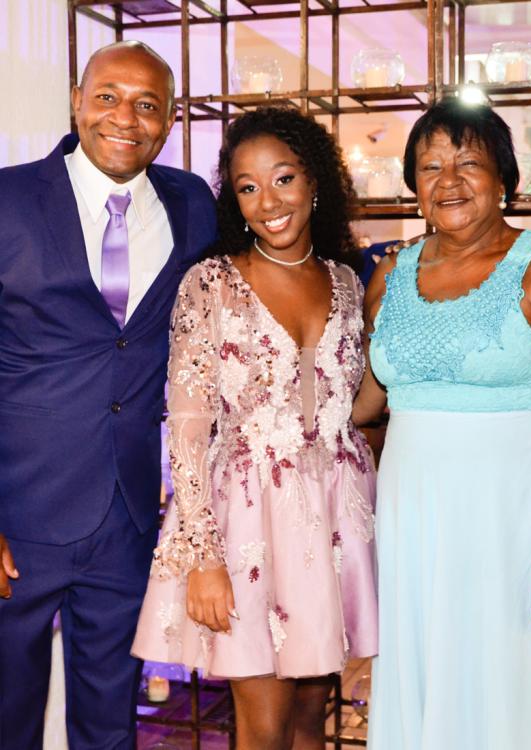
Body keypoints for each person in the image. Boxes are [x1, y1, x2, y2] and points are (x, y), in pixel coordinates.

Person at [353, 97, 531, 749]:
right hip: (414, 529)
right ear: (413, 186)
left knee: (509, 690)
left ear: (504, 180)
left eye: (469, 163)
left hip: (513, 529)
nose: (449, 181)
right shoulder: (391, 274)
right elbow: (365, 404)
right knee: (425, 680)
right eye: (430, 166)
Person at [132, 107, 378, 749]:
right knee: (262, 727)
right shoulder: (210, 284)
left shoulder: (347, 283)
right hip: (246, 521)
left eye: (283, 178)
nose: (268, 201)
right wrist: (204, 558)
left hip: (335, 518)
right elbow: (187, 429)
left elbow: (344, 407)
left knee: (309, 722)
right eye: (247, 187)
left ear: (315, 181)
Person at [0, 40, 217, 748]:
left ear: (170, 120)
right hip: (17, 517)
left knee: (111, 724)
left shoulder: (192, 204)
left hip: (127, 517)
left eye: (147, 104)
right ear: (76, 101)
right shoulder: (7, 199)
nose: (126, 117)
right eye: (107, 97)